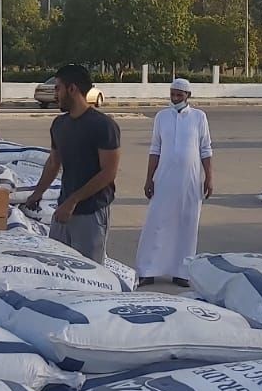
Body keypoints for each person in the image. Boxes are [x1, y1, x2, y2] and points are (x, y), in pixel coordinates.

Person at [24, 64, 121, 263]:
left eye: (58, 88)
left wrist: (73, 201)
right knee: (57, 266)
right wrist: (37, 194)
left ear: (72, 89)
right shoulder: (59, 125)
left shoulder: (103, 126)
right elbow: (54, 162)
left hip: (91, 212)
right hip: (63, 211)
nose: (55, 95)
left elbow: (108, 172)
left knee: (89, 271)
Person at [134, 78, 213, 286]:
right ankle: (147, 270)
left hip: (190, 180)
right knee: (157, 223)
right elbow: (155, 149)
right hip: (164, 179)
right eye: (173, 94)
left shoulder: (199, 117)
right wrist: (149, 178)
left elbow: (205, 149)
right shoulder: (162, 117)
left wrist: (209, 177)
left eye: (179, 95)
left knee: (187, 224)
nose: (175, 98)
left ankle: (182, 272)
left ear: (188, 95)